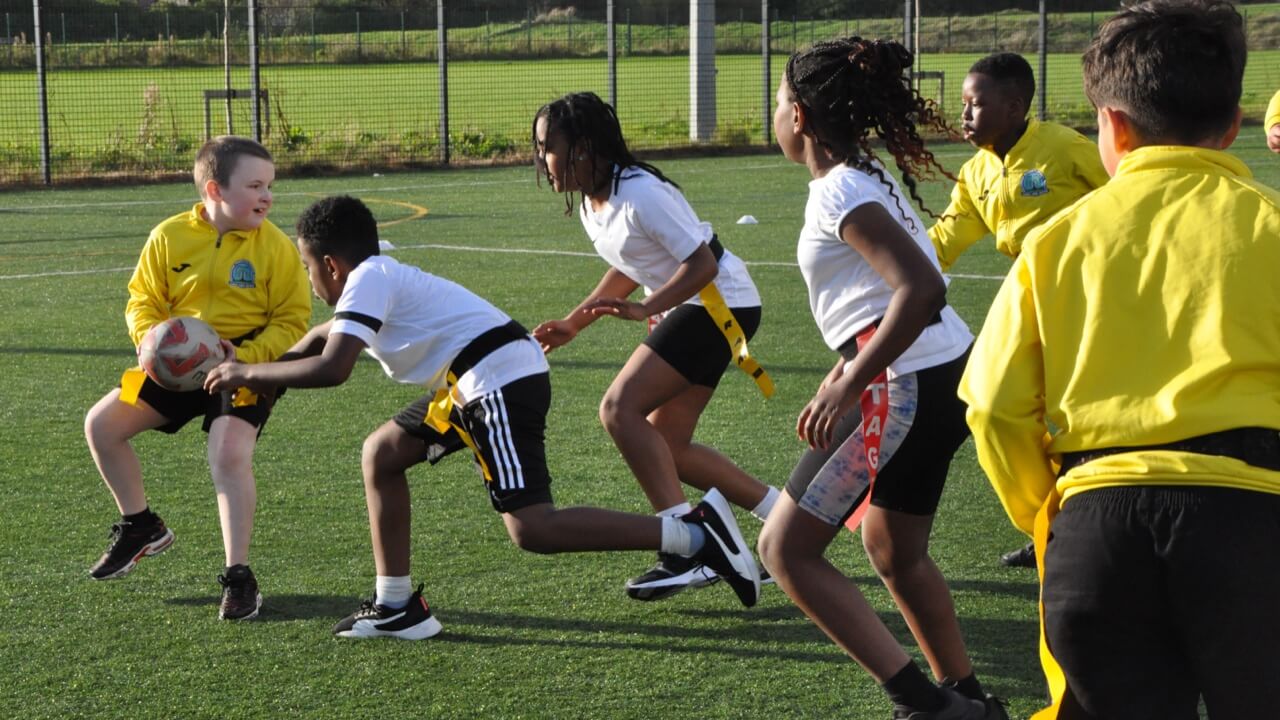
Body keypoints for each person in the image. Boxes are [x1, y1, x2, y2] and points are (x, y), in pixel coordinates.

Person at [204, 195, 762, 640]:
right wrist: (261, 374)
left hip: (496, 377)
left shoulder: (367, 278)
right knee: (383, 453)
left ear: (330, 263)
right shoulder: (371, 280)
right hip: (473, 380)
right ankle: (397, 606)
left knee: (532, 528)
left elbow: (333, 368)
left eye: (307, 267)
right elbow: (317, 341)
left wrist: (246, 378)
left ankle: (693, 535)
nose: (309, 280)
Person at [958, 1, 1280, 717]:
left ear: (1111, 125)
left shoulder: (1057, 241)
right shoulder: (1272, 223)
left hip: (1099, 525)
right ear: (1232, 124)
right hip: (1254, 518)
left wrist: (1045, 509)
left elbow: (993, 405)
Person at [756, 38, 1004, 720]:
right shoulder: (861, 174)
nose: (773, 115)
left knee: (784, 549)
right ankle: (966, 698)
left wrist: (848, 382)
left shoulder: (840, 188)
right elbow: (878, 300)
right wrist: (843, 368)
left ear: (799, 116)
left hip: (907, 384)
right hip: (936, 372)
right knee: (891, 546)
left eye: (778, 103)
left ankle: (926, 706)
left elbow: (919, 288)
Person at [529, 91, 782, 602]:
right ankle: (785, 519)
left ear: (582, 147)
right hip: (698, 307)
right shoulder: (591, 203)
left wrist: (648, 309)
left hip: (717, 303)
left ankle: (688, 545)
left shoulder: (640, 192)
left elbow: (702, 264)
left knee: (619, 409)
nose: (540, 159)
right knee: (668, 446)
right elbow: (632, 262)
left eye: (547, 146)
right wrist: (576, 322)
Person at [83, 135, 311, 620]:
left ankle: (238, 576)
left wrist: (245, 357)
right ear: (215, 190)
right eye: (255, 186)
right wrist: (151, 341)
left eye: (270, 185)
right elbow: (142, 298)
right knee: (102, 426)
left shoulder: (276, 247)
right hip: (176, 361)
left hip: (247, 361)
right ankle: (141, 525)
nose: (267, 197)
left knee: (228, 452)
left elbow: (292, 321)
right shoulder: (168, 236)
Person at [927, 52, 1110, 570]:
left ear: (1013, 107)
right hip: (1029, 297)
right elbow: (944, 239)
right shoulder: (976, 172)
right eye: (962, 104)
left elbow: (1125, 194)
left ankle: (1087, 525)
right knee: (993, 409)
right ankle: (1047, 523)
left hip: (1090, 294)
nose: (963, 115)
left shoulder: (1064, 148)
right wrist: (886, 259)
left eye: (975, 104)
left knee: (1078, 415)